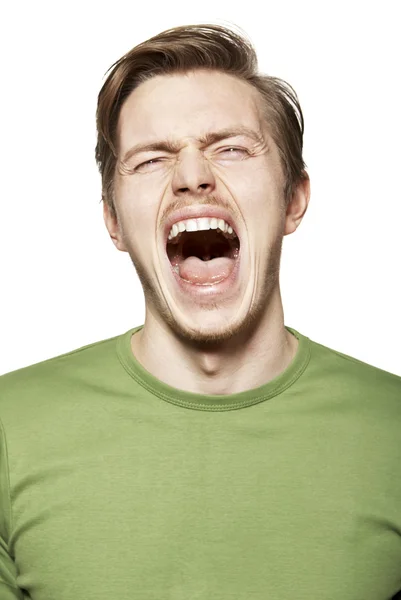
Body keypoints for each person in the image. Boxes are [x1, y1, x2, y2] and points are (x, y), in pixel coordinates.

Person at [0, 22, 400, 600]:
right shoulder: (10, 428)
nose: (193, 177)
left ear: (294, 199)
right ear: (113, 221)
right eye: (151, 160)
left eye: (231, 149)